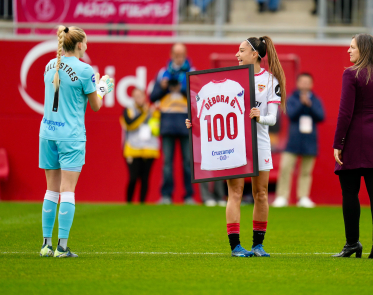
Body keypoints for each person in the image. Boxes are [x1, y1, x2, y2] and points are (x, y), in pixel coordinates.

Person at [186, 36, 286, 257]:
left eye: (241, 51)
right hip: (234, 144)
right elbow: (214, 112)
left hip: (259, 143)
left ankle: (258, 245)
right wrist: (194, 120)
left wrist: (260, 117)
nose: (236, 55)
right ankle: (236, 247)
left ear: (255, 55)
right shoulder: (231, 79)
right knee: (235, 193)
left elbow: (273, 118)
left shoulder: (271, 81)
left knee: (260, 193)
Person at [39, 25, 114, 258]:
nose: (87, 46)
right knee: (67, 190)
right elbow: (95, 105)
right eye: (87, 42)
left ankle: (46, 245)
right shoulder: (85, 70)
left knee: (51, 190)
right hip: (70, 136)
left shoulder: (50, 65)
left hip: (47, 132)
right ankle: (62, 247)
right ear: (80, 44)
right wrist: (102, 88)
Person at [332, 33, 373, 259]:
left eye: (352, 47)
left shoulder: (351, 74)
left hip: (356, 137)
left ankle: (352, 244)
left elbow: (345, 112)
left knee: (350, 192)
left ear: (363, 50)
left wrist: (338, 142)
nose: (349, 51)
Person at [150, 43, 196, 205]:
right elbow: (152, 96)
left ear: (185, 54)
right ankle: (166, 196)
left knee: (188, 162)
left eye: (181, 54)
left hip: (186, 122)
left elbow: (197, 96)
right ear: (171, 54)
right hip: (167, 122)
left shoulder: (192, 71)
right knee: (167, 163)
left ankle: (189, 196)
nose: (179, 57)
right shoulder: (163, 73)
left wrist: (182, 88)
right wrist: (163, 87)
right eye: (176, 54)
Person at [273, 73, 325, 208]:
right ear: (297, 83)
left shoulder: (316, 99)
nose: (305, 84)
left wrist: (310, 105)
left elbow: (321, 116)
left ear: (311, 84)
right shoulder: (292, 98)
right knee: (285, 168)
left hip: (310, 140)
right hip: (293, 141)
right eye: (302, 82)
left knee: (306, 171)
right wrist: (302, 104)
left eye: (307, 82)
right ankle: (282, 197)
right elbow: (291, 114)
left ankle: (303, 197)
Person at [120, 88, 161, 204]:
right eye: (136, 96)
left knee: (145, 178)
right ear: (133, 98)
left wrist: (154, 115)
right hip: (133, 148)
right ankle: (129, 203)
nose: (139, 98)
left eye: (141, 96)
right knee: (133, 178)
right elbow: (130, 125)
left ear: (145, 97)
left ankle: (142, 204)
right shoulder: (128, 110)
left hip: (150, 148)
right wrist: (144, 113)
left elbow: (157, 129)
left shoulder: (153, 110)